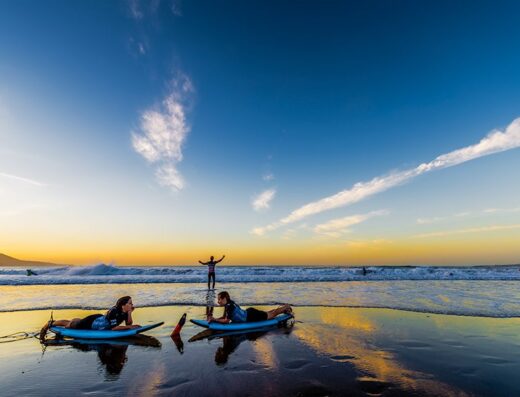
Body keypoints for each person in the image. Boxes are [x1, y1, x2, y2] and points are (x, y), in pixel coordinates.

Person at [39, 296, 140, 340]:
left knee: (74, 322)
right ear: (123, 305)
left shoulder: (125, 311)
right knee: (71, 324)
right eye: (130, 303)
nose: (132, 304)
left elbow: (128, 324)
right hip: (92, 322)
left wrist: (130, 313)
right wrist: (130, 328)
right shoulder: (114, 311)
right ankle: (51, 323)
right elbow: (114, 328)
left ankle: (57, 322)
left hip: (100, 321)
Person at [208, 291, 292, 324]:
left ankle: (286, 306)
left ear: (224, 299)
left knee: (272, 314)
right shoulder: (229, 304)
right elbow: (225, 317)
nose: (218, 301)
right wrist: (214, 319)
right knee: (268, 314)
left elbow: (226, 320)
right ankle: (284, 310)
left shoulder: (229, 307)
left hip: (251, 316)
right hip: (249, 313)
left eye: (219, 299)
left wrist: (214, 319)